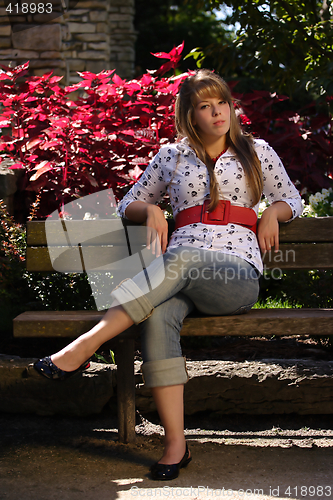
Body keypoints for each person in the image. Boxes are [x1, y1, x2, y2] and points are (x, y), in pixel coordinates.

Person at [34, 69, 303, 480]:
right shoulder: (171, 156)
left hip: (233, 277)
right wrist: (154, 209)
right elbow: (129, 205)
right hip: (176, 274)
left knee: (185, 259)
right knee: (158, 316)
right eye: (205, 107)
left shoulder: (257, 151)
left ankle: (85, 346)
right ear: (190, 115)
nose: (217, 114)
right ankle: (176, 445)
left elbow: (291, 199)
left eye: (222, 104)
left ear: (232, 106)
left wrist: (273, 214)